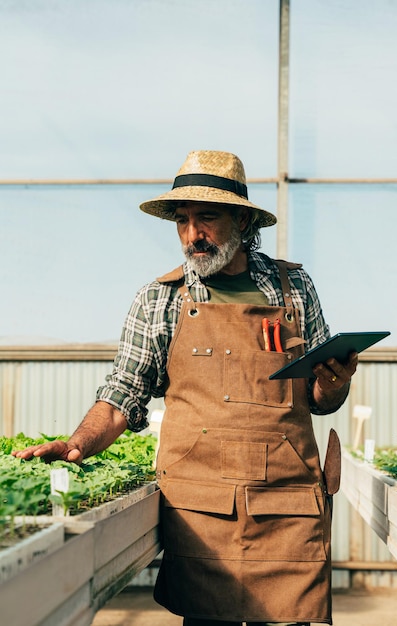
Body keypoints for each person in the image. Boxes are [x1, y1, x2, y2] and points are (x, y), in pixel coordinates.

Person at [13, 150, 358, 626]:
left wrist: (334, 384)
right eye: (183, 220)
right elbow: (123, 392)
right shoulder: (160, 299)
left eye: (207, 218)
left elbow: (321, 400)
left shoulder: (294, 289)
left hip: (289, 511)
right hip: (202, 517)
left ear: (241, 220)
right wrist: (77, 444)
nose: (192, 234)